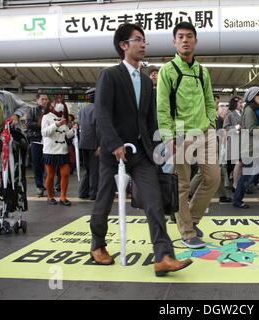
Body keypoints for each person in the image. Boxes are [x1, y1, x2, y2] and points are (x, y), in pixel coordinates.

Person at [91, 23, 192, 275]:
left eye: (144, 40)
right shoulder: (110, 75)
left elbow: (149, 121)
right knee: (104, 200)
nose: (143, 44)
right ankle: (97, 245)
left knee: (154, 201)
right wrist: (114, 144)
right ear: (123, 46)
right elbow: (102, 113)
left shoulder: (148, 83)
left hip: (141, 154)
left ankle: (163, 256)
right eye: (138, 40)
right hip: (112, 153)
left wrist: (160, 147)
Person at [157, 21, 220, 249]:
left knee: (213, 178)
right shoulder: (167, 71)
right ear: (175, 42)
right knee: (182, 185)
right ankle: (186, 232)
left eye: (189, 36)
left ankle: (190, 219)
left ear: (195, 40)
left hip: (205, 132)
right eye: (180, 36)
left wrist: (211, 124)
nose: (185, 40)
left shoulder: (202, 71)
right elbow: (162, 108)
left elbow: (209, 101)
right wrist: (168, 138)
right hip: (180, 135)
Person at [0, 77, 29, 236]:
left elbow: (24, 106)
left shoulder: (5, 97)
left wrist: (16, 115)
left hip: (12, 144)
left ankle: (11, 209)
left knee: (14, 179)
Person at [41, 96, 76, 206]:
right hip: (50, 150)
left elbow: (67, 135)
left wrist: (73, 130)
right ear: (52, 105)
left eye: (62, 102)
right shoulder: (46, 117)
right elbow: (45, 133)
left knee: (65, 174)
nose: (60, 104)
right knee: (50, 175)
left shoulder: (63, 118)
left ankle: (63, 197)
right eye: (58, 102)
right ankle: (50, 196)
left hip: (63, 150)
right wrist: (56, 124)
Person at [78, 88, 99, 200]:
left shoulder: (82, 110)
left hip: (83, 143)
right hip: (94, 144)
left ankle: (82, 192)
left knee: (88, 170)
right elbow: (98, 128)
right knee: (95, 170)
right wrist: (99, 145)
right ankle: (93, 194)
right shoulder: (99, 109)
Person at [26, 93, 49, 197]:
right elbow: (29, 124)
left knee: (48, 164)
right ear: (37, 100)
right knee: (37, 164)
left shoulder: (50, 111)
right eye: (43, 99)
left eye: (46, 99)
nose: (45, 101)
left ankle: (49, 184)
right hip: (35, 140)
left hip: (48, 142)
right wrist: (42, 125)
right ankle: (39, 186)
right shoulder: (32, 111)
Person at [223, 96, 244, 191]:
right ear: (235, 103)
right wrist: (235, 128)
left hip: (242, 141)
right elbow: (225, 127)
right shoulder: (230, 114)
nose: (241, 104)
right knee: (237, 163)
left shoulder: (242, 113)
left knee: (239, 163)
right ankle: (235, 184)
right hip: (234, 141)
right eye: (240, 102)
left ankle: (236, 183)